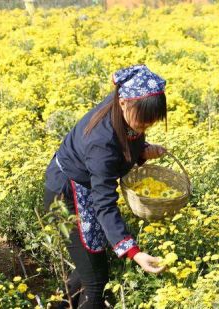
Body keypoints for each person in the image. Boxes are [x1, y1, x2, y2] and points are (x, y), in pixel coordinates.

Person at [44, 64, 167, 308]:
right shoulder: (101, 142)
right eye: (142, 123)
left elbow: (123, 147)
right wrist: (135, 252)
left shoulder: (124, 106)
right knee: (96, 280)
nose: (143, 129)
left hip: (85, 190)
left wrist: (142, 152)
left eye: (148, 125)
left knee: (87, 267)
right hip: (66, 197)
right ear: (123, 103)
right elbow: (104, 203)